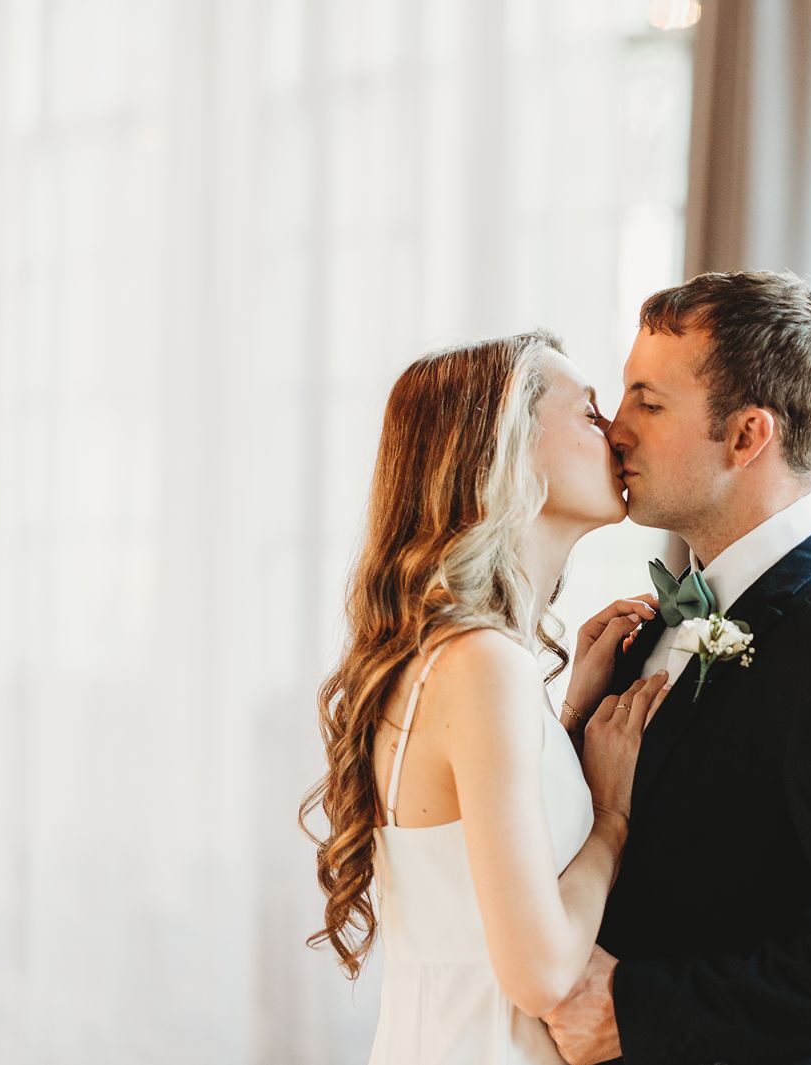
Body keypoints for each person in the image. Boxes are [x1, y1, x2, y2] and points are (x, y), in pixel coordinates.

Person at [543, 271, 811, 1065]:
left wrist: (636, 1010)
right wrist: (571, 721)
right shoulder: (649, 627)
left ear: (746, 437)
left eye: (648, 402)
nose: (615, 427)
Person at [300, 330, 669, 1063]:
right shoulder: (481, 662)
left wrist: (567, 722)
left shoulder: (457, 653)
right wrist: (612, 818)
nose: (617, 430)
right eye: (589, 412)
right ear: (507, 450)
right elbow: (542, 972)